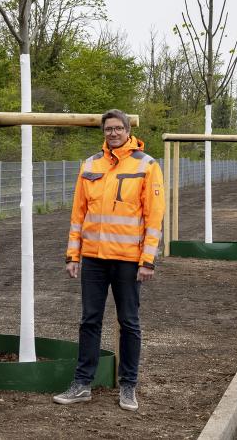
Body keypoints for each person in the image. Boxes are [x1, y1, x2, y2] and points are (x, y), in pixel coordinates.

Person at [53, 108, 165, 412]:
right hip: (93, 259)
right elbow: (78, 215)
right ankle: (82, 384)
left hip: (129, 261)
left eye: (118, 128)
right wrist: (73, 254)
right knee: (89, 320)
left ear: (128, 131)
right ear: (103, 132)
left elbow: (153, 216)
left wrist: (148, 259)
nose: (112, 133)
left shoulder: (147, 165)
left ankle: (128, 386)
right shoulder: (90, 165)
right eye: (107, 129)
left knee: (129, 322)